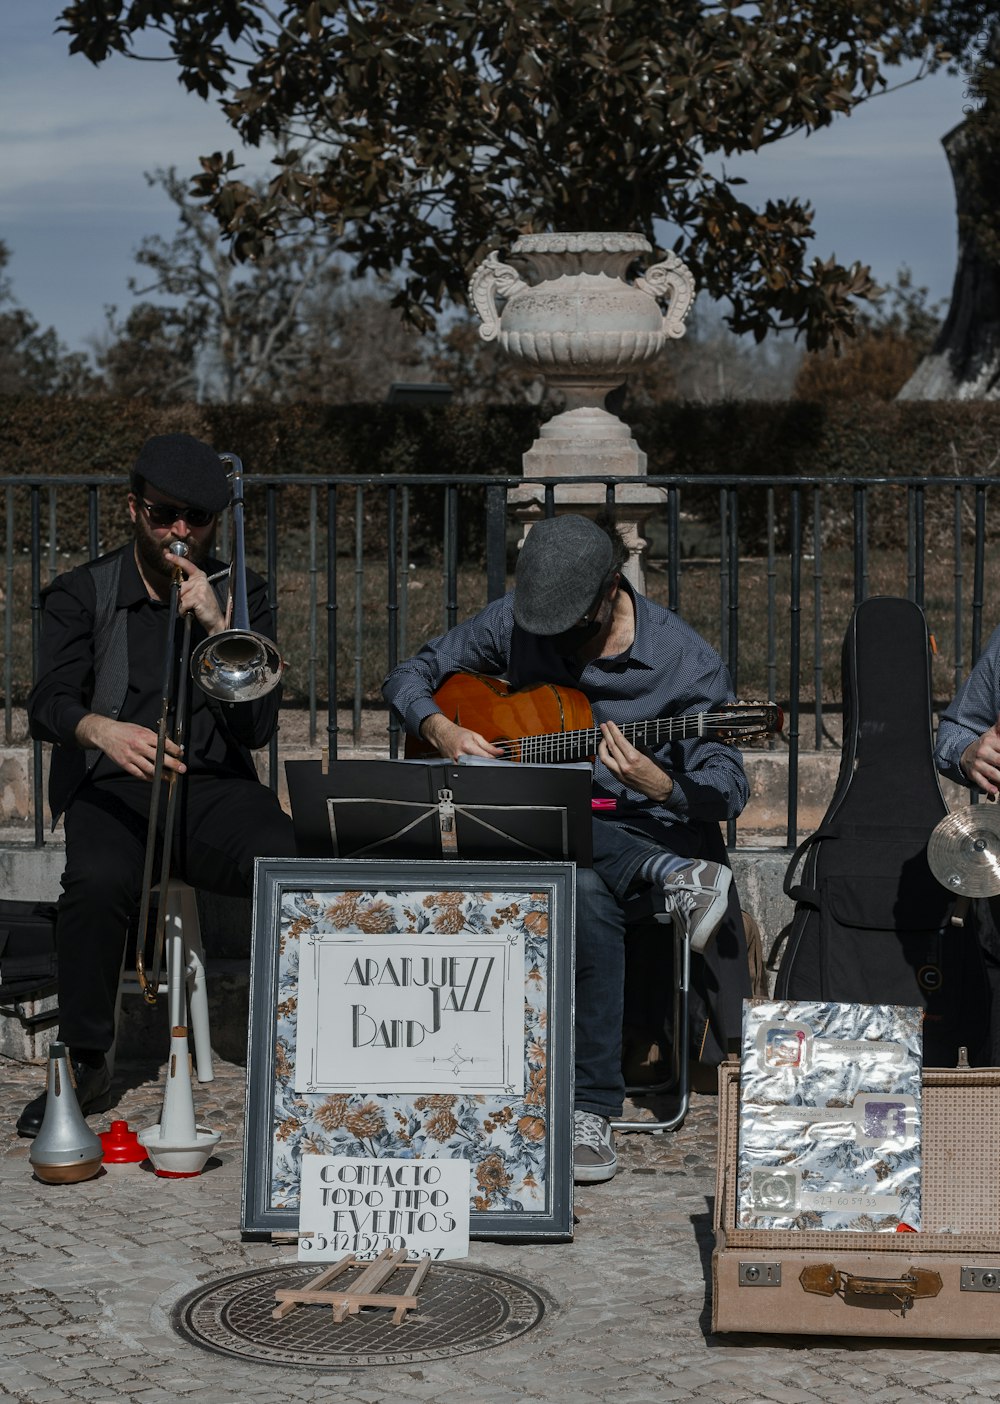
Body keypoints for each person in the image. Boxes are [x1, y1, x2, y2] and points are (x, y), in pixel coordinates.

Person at [382, 514, 751, 1184]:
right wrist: (439, 728)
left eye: (571, 629)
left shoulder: (687, 664)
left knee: (581, 886)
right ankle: (670, 877)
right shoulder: (514, 623)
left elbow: (728, 789)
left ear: (612, 588)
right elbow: (411, 672)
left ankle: (589, 1109)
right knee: (565, 857)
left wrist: (661, 783)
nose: (557, 645)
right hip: (529, 829)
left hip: (637, 827)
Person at [17, 433, 298, 1138]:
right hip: (116, 786)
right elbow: (47, 701)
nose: (181, 533)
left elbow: (259, 729)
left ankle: (302, 1044)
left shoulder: (242, 592)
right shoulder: (83, 593)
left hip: (213, 791)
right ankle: (86, 1057)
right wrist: (101, 731)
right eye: (166, 515)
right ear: (134, 508)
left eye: (197, 519)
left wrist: (217, 622)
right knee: (96, 884)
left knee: (291, 861)